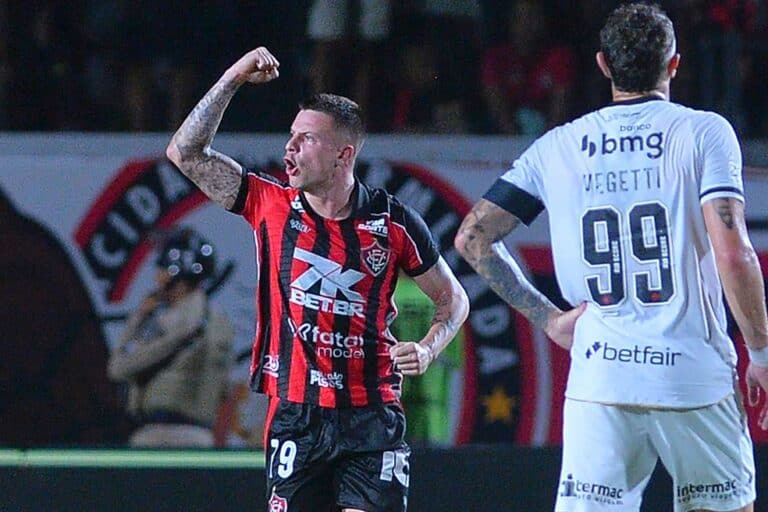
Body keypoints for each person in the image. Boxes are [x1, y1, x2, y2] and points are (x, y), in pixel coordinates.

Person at [455, 4, 768, 512]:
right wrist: (763, 355)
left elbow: (472, 238)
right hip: (692, 375)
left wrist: (549, 319)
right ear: (673, 65)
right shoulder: (704, 132)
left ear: (602, 65)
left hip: (601, 379)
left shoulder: (557, 147)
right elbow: (734, 254)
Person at [165, 46, 469, 512]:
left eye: (305, 139)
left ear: (343, 155)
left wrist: (428, 347)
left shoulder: (393, 223)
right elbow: (184, 152)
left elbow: (453, 299)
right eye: (291, 136)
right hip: (296, 416)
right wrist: (233, 77)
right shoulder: (268, 204)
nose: (289, 148)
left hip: (371, 418)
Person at [108, 227, 234, 448]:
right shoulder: (221, 323)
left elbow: (118, 368)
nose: (157, 276)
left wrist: (138, 319)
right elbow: (224, 390)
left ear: (176, 273)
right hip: (202, 439)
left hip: (160, 437)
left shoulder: (173, 321)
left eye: (163, 268)